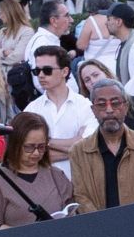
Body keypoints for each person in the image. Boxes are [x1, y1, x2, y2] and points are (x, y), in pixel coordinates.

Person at [69, 78, 134, 213]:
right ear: (93, 110)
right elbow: (81, 196)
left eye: (115, 103)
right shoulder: (78, 152)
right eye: (101, 104)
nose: (109, 110)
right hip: (100, 229)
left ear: (126, 107)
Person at [0, 112, 75, 233]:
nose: (36, 153)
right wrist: (24, 235)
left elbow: (72, 211)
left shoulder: (56, 174)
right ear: (15, 144)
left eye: (41, 147)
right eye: (29, 147)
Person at [22, 46, 99, 179]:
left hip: (80, 184)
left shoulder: (85, 106)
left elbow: (88, 146)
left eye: (47, 70)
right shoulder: (31, 109)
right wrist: (75, 146)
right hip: (43, 188)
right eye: (36, 71)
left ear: (64, 72)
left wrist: (43, 143)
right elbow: (25, 154)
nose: (41, 75)